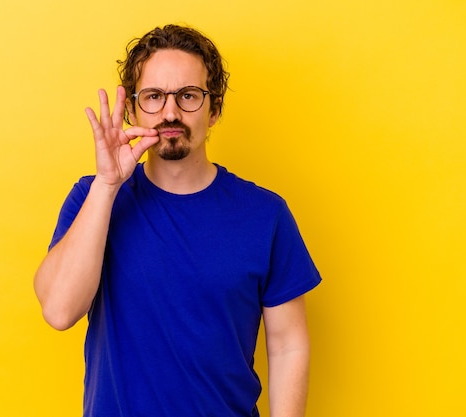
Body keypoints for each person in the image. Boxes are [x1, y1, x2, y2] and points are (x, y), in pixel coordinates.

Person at [34, 24, 321, 417]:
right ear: (134, 110)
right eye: (154, 97)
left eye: (188, 96)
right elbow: (59, 311)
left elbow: (289, 345)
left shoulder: (266, 214)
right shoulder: (93, 198)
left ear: (214, 109)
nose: (170, 112)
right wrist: (107, 185)